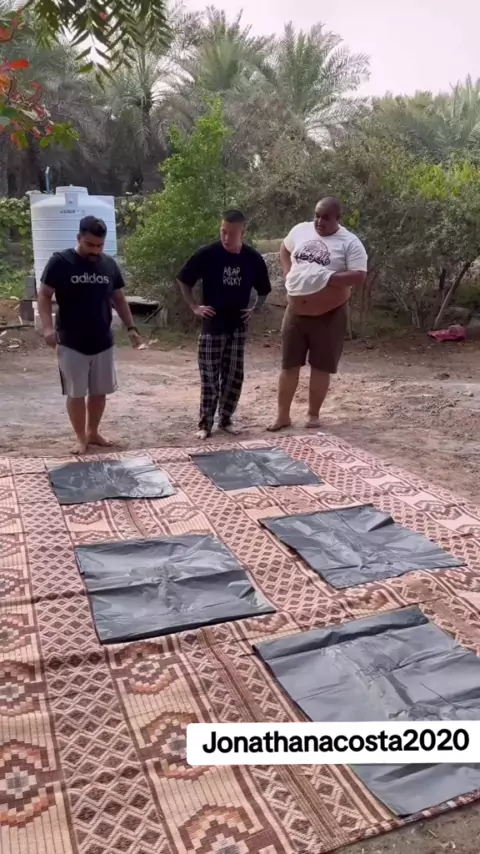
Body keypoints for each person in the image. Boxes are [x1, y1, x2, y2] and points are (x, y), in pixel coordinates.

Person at [37, 215, 141, 454]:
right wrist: (48, 328)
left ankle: (93, 432)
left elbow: (119, 298)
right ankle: (80, 438)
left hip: (103, 340)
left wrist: (131, 328)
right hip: (71, 342)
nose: (95, 250)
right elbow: (44, 295)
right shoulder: (60, 262)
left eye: (99, 245)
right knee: (76, 393)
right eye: (90, 244)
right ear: (79, 238)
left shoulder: (109, 265)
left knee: (99, 391)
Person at [268, 196, 368, 432]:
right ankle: (283, 416)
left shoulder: (350, 242)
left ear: (337, 219)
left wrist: (326, 278)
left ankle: (313, 414)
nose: (319, 221)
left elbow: (359, 275)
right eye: (317, 215)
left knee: (321, 366)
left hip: (329, 315)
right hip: (295, 313)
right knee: (289, 364)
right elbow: (285, 248)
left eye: (326, 218)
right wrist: (288, 272)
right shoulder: (300, 230)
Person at [177, 209, 272, 439]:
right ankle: (205, 424)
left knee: (233, 377)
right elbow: (184, 279)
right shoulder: (208, 254)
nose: (226, 238)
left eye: (232, 233)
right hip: (212, 325)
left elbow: (264, 289)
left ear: (243, 233)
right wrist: (195, 307)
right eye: (223, 232)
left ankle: (226, 419)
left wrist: (256, 309)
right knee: (210, 378)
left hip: (238, 326)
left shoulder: (252, 257)